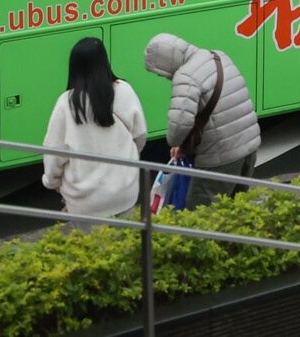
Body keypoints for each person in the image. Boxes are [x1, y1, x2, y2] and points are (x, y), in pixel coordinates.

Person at [146, 33, 261, 207]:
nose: (163, 77)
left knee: (200, 212)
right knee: (235, 208)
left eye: (160, 72)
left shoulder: (185, 76)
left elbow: (178, 127)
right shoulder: (218, 56)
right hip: (249, 147)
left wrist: (177, 143)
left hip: (222, 157)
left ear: (164, 62)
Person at [42, 38, 147, 221]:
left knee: (92, 247)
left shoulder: (67, 103)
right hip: (125, 191)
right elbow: (139, 136)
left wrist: (52, 182)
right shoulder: (124, 90)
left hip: (85, 202)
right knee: (124, 244)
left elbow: (54, 154)